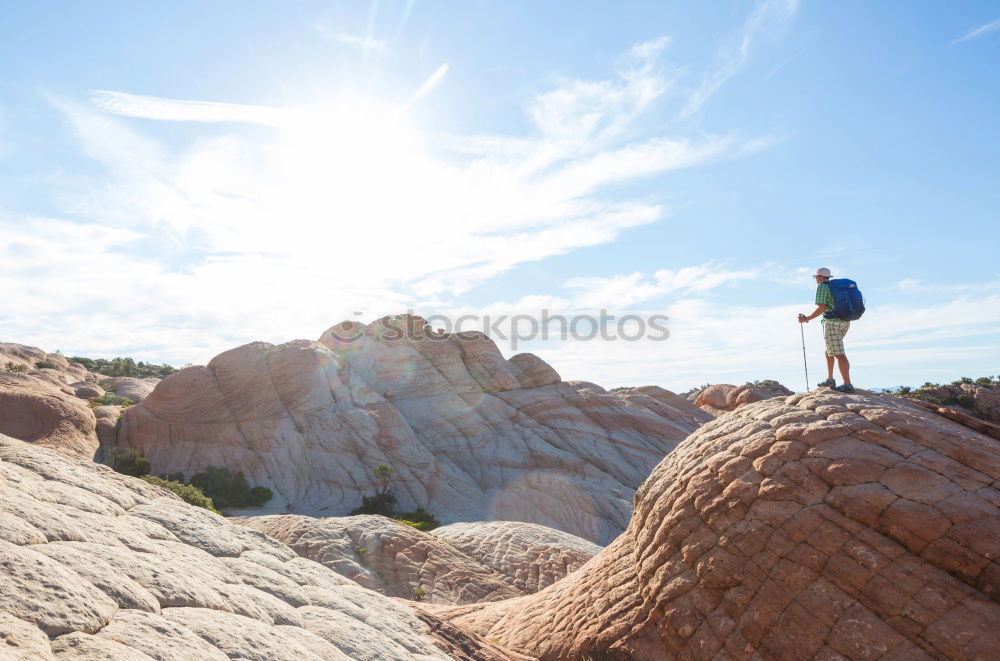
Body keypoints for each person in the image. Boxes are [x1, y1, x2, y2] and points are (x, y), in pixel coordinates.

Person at [798, 267, 854, 392]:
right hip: (845, 321)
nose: (815, 279)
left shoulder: (823, 287)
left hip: (832, 323)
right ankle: (830, 379)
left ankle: (848, 385)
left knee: (839, 353)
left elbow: (822, 307)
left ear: (820, 277)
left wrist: (807, 318)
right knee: (829, 349)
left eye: (815, 277)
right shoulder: (835, 286)